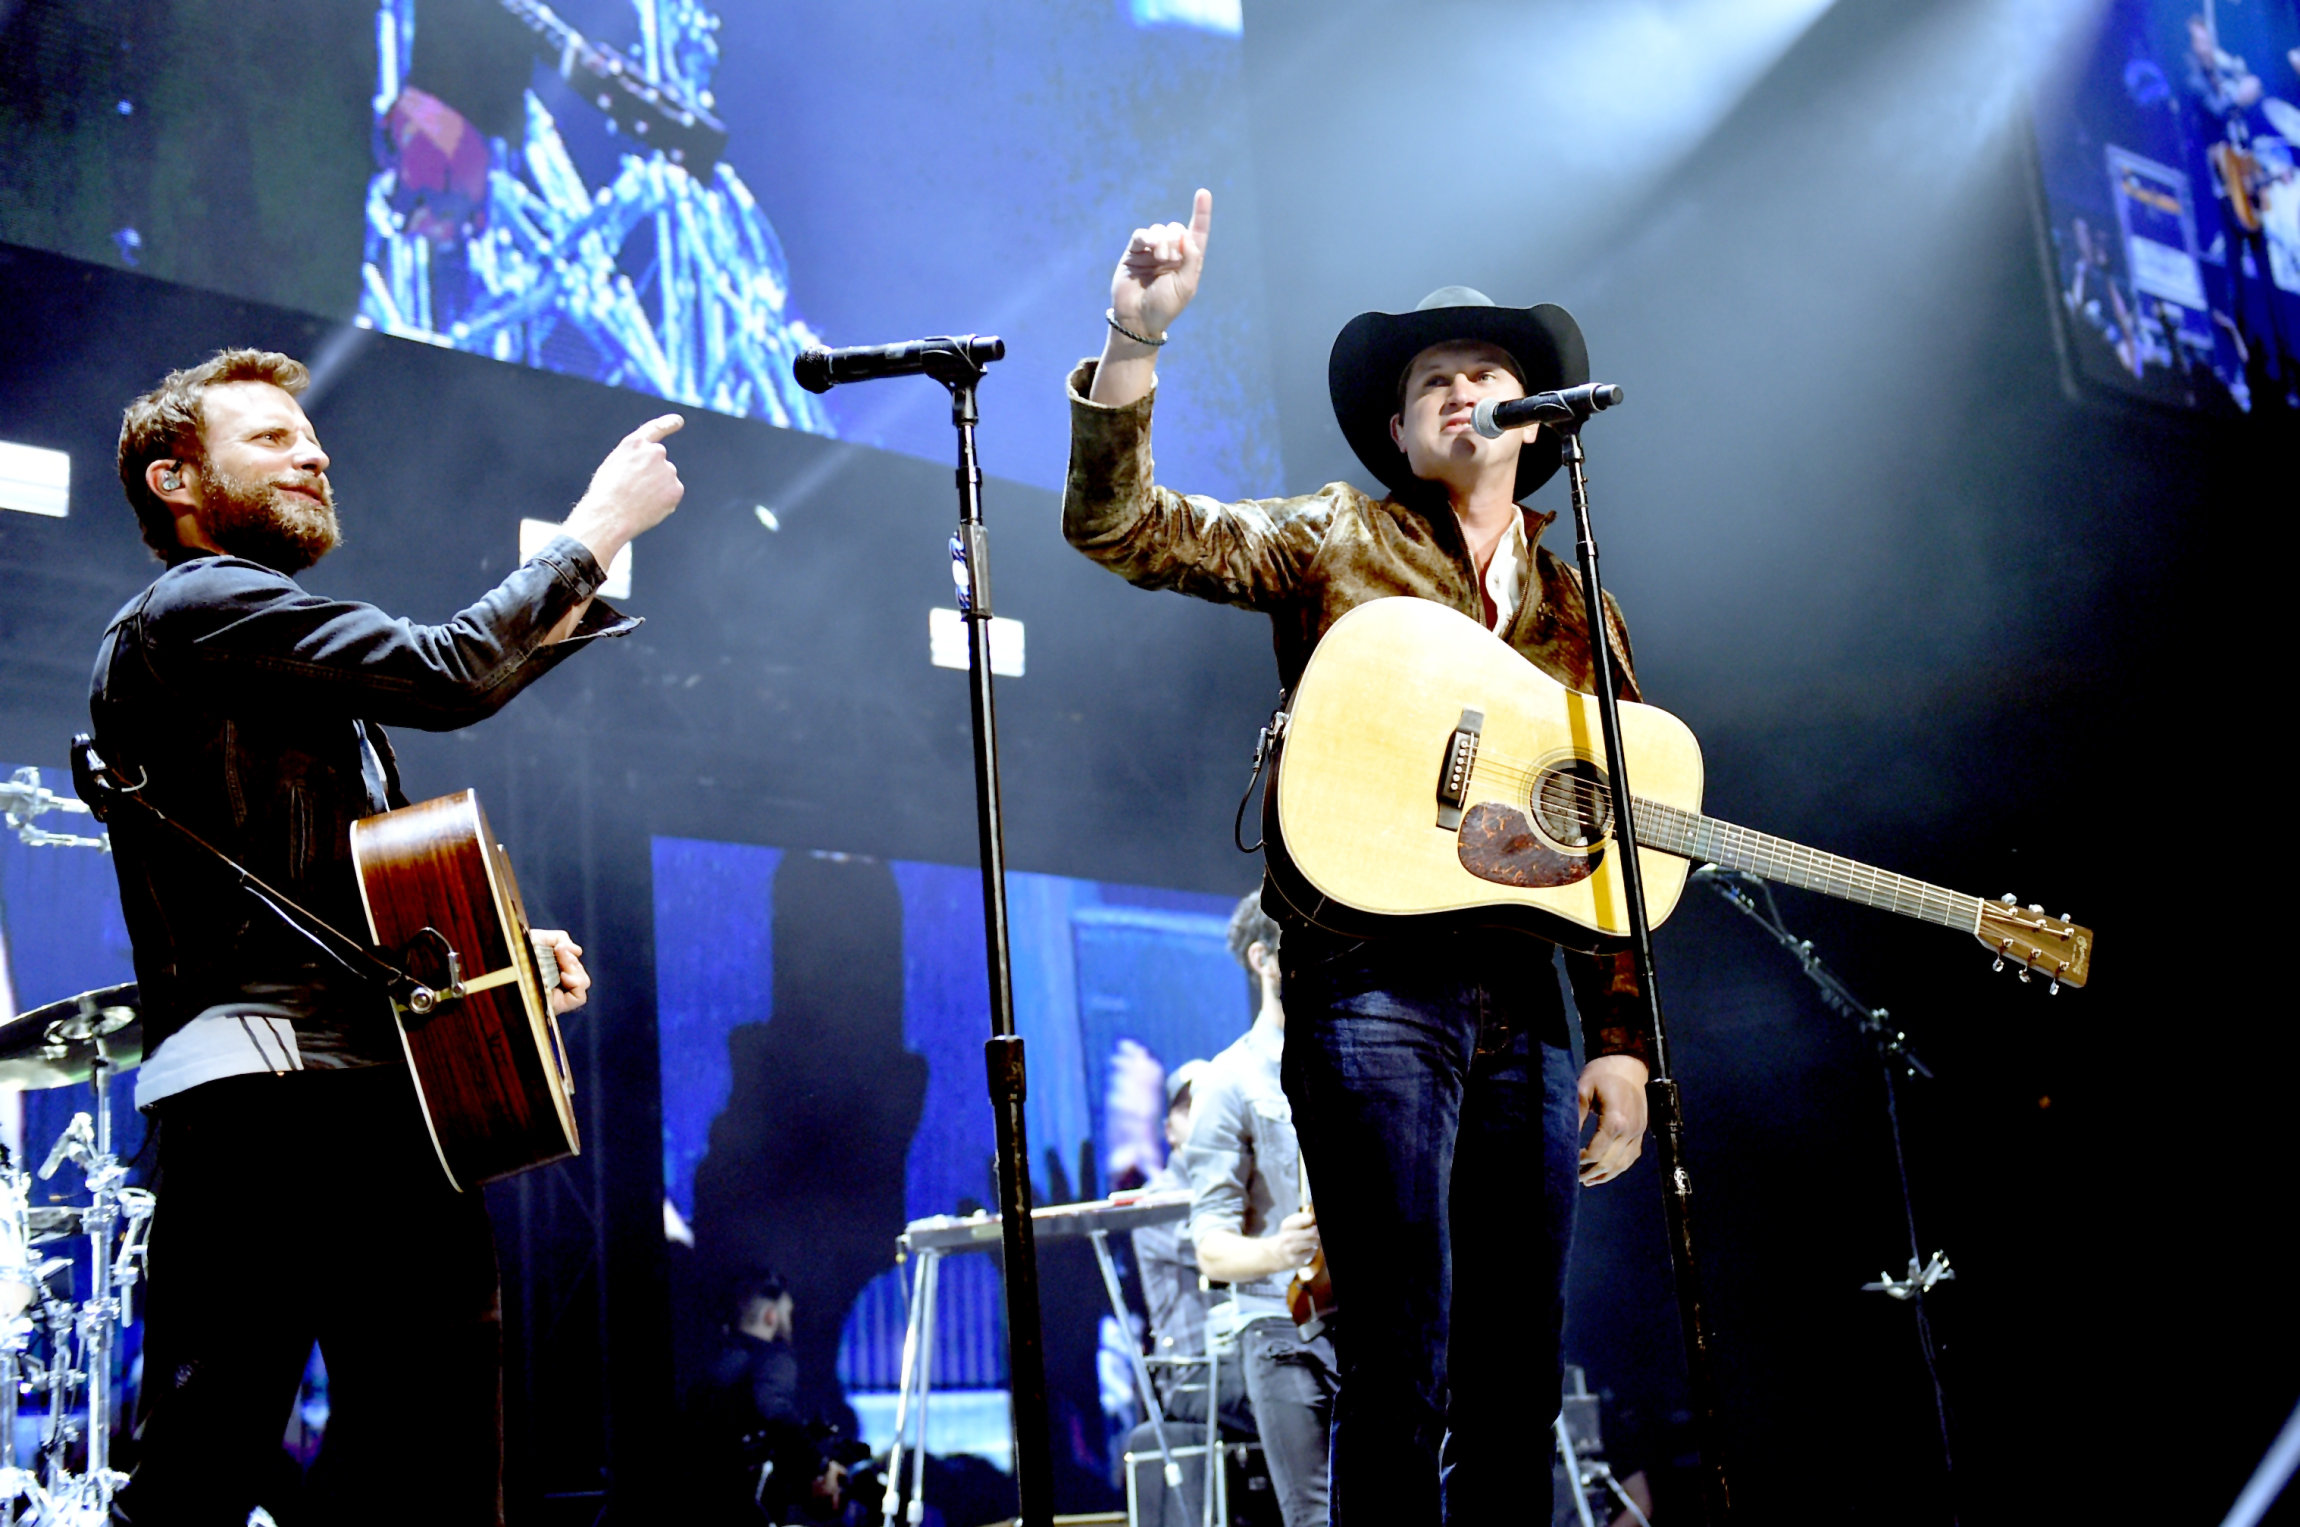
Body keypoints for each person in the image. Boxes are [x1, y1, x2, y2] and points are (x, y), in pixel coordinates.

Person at [1061, 191, 1653, 1526]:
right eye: (1431, 380)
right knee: (1401, 1358)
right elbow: (1123, 528)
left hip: (1529, 1000)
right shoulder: (1338, 533)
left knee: (1516, 1378)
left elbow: (1605, 824)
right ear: (1395, 428)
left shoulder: (1579, 605)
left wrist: (1618, 1034)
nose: (1460, 390)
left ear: (1537, 412)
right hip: (1372, 978)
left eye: (1486, 372)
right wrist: (1134, 342)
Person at [95, 347, 683, 1524]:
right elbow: (447, 668)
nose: (311, 451)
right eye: (267, 439)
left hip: (367, 1095)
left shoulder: (271, 661)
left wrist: (500, 949)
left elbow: (342, 883)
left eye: (309, 438)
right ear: (175, 479)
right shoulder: (196, 605)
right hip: (269, 1096)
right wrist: (591, 532)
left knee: (433, 1472)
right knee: (216, 1463)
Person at [1172, 894, 1336, 1527]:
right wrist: (1279, 1251)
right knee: (1317, 1516)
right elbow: (1209, 1245)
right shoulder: (1228, 1081)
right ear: (1262, 959)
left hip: (1378, 1322)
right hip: (1280, 1329)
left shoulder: (1367, 1061)